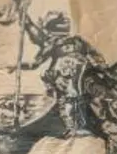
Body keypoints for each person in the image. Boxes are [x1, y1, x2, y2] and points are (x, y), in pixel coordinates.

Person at [6, 10, 106, 138]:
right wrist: (17, 66)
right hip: (66, 76)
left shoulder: (73, 41)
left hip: (79, 75)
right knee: (71, 98)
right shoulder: (68, 42)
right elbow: (35, 64)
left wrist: (100, 65)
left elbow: (94, 54)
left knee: (82, 97)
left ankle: (84, 124)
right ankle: (73, 127)